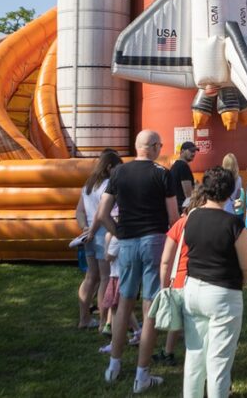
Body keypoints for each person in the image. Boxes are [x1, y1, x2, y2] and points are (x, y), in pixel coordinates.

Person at [96, 130, 178, 391]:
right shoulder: (162, 173)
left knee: (124, 303)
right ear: (153, 147)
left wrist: (117, 231)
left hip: (128, 241)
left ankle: (114, 365)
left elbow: (102, 212)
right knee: (150, 305)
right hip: (154, 239)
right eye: (160, 145)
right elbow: (174, 217)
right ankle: (142, 375)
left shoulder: (119, 172)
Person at [182, 167, 247, 398]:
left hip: (193, 288)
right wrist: (241, 282)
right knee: (219, 361)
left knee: (194, 355)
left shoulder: (191, 217)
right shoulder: (233, 224)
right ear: (230, 191)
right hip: (223, 293)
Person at [152, 186, 208, 366]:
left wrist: (164, 285)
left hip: (179, 280)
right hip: (202, 278)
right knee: (199, 322)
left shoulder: (180, 224)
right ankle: (202, 354)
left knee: (175, 319)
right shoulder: (211, 223)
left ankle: (168, 352)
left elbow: (166, 260)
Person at [76, 149, 122, 329]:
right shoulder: (108, 185)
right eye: (117, 168)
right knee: (104, 278)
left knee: (91, 277)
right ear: (109, 167)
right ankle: (104, 321)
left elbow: (79, 211)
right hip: (102, 234)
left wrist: (85, 229)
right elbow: (100, 213)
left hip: (88, 236)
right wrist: (93, 230)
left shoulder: (89, 185)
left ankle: (84, 318)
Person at [170, 141, 197, 208]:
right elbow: (188, 194)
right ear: (182, 151)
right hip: (183, 207)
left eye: (194, 151)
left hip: (176, 205)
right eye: (191, 151)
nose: (193, 153)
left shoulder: (176, 165)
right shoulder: (183, 166)